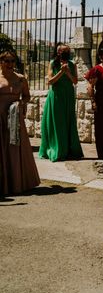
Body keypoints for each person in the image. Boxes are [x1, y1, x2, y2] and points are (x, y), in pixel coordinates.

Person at [0, 51, 40, 195]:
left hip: (15, 119)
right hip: (0, 118)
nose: (10, 64)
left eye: (12, 61)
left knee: (14, 149)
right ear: (1, 62)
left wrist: (20, 103)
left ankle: (17, 183)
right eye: (7, 61)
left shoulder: (21, 79)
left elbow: (27, 96)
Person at [39, 44, 83, 162]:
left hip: (68, 96)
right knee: (57, 122)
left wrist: (68, 72)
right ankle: (57, 149)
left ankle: (69, 149)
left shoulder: (72, 64)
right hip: (56, 96)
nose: (66, 52)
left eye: (67, 50)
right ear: (58, 52)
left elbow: (75, 81)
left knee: (68, 121)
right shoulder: (53, 63)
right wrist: (61, 72)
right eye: (63, 50)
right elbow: (50, 81)